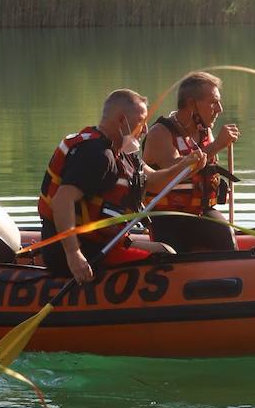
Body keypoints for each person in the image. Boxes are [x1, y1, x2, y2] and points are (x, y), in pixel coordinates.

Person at [37, 88, 206, 282]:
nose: (145, 130)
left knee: (166, 250)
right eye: (141, 122)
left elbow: (152, 182)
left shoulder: (123, 152)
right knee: (164, 257)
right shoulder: (97, 155)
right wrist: (74, 255)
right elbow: (62, 202)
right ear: (120, 120)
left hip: (102, 242)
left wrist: (185, 166)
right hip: (81, 250)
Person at [142, 71, 239, 252]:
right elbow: (175, 171)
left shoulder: (205, 132)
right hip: (167, 216)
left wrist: (215, 144)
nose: (219, 109)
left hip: (201, 212)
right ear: (191, 104)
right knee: (174, 253)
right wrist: (217, 145)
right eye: (213, 102)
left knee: (226, 236)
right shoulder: (160, 133)